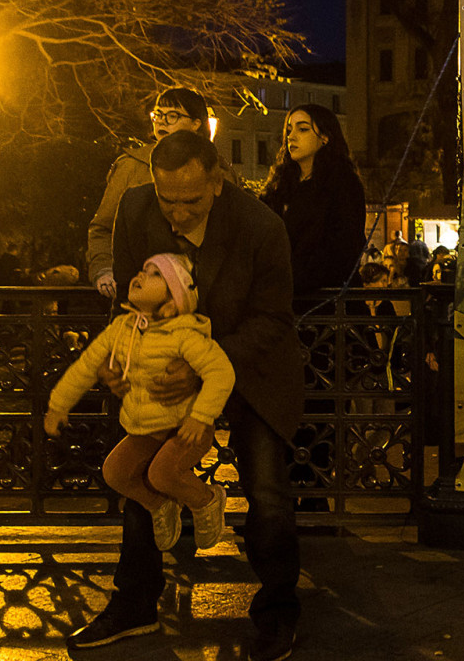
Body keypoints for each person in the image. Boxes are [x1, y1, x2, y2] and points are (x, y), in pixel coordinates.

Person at [65, 131, 302, 661]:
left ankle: (278, 612)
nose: (177, 214)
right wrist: (123, 358)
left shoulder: (261, 226)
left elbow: (272, 320)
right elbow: (133, 303)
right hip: (166, 369)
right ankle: (134, 604)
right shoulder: (135, 208)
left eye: (191, 201)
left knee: (267, 493)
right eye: (166, 199)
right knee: (138, 479)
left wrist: (201, 366)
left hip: (251, 369)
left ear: (217, 182)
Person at [44, 253, 233, 553]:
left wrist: (200, 416)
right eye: (144, 270)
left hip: (187, 427)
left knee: (162, 473)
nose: (141, 275)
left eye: (156, 274)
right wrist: (58, 405)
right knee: (115, 473)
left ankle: (206, 500)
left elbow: (221, 372)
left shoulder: (185, 333)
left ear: (173, 298)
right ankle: (159, 505)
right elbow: (87, 365)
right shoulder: (122, 328)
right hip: (147, 427)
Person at [87, 87, 211, 299]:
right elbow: (103, 227)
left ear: (196, 123)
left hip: (200, 295)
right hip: (142, 295)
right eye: (158, 115)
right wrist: (104, 269)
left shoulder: (216, 172)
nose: (162, 122)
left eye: (172, 115)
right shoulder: (132, 166)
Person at [260, 104, 367, 294]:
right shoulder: (279, 186)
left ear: (325, 137)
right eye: (289, 130)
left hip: (324, 299)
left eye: (302, 129)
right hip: (281, 297)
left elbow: (345, 247)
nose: (291, 137)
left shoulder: (343, 184)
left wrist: (294, 276)